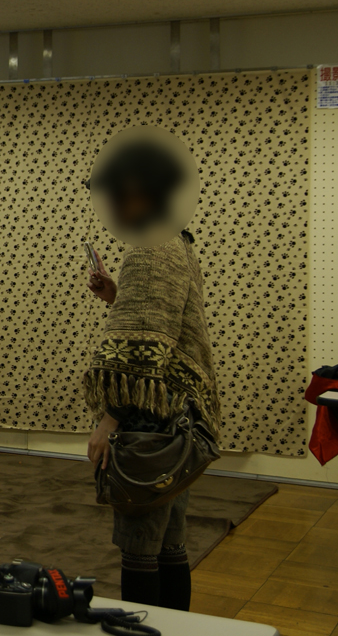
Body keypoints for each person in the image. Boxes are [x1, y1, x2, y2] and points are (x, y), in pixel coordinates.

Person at [83, 139, 220, 612]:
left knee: (141, 543)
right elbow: (165, 324)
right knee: (170, 540)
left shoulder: (149, 249)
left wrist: (111, 420)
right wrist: (116, 296)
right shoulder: (177, 241)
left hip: (150, 419)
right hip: (180, 414)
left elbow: (140, 355)